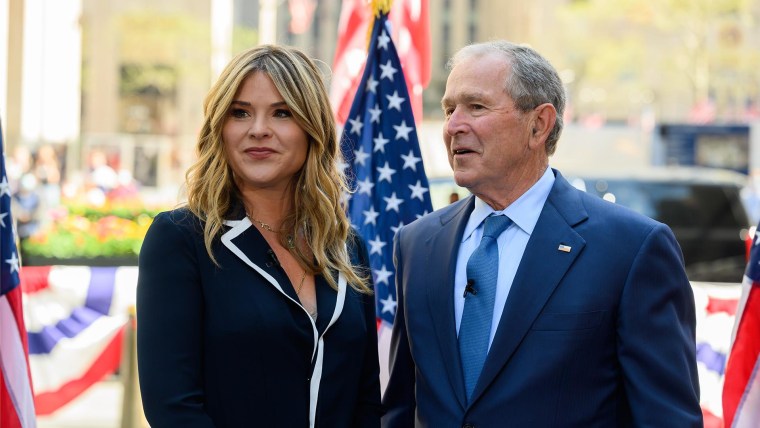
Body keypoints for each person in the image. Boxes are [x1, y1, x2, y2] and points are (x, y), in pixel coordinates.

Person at [381, 41, 702, 427]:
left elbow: (666, 418)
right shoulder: (418, 244)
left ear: (539, 124)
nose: (453, 126)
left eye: (476, 107)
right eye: (449, 109)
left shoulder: (631, 249)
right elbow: (400, 407)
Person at [137, 45, 381, 428]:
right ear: (221, 128)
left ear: (311, 128)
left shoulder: (347, 248)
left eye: (281, 113)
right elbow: (173, 409)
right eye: (241, 112)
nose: (258, 129)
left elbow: (366, 398)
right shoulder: (181, 239)